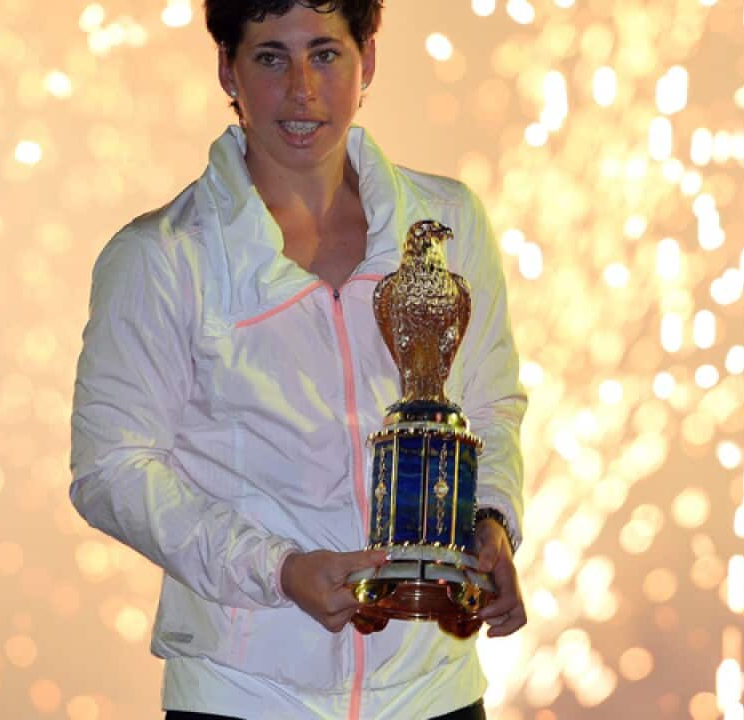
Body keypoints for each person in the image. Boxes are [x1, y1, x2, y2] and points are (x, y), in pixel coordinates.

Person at [70, 1, 528, 718]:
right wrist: (278, 570)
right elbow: (112, 470)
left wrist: (490, 521)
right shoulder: (162, 257)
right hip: (243, 694)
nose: (301, 90)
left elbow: (491, 408)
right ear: (228, 69)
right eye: (270, 57)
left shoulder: (448, 224)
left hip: (433, 689)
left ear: (367, 60)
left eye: (324, 54)